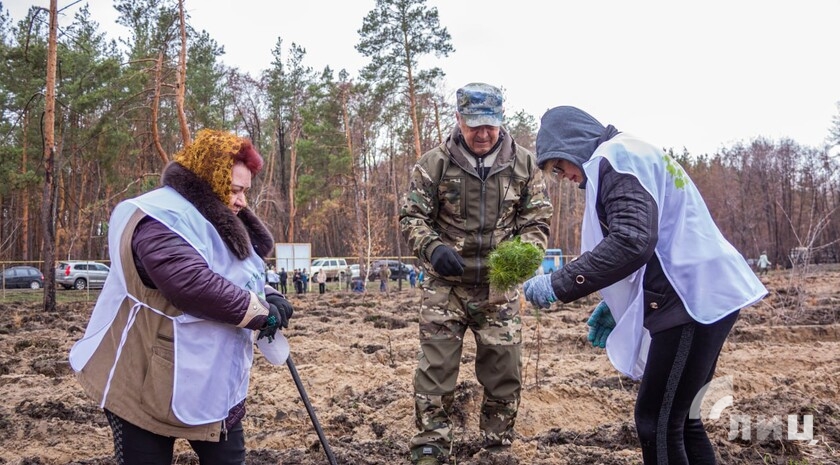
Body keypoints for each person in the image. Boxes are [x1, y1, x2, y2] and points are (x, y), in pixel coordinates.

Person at [521, 106, 767, 465]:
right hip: (703, 292)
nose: (565, 177)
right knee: (683, 421)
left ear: (573, 145)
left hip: (686, 299)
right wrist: (619, 299)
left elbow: (631, 241)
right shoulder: (633, 152)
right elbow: (656, 237)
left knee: (656, 423)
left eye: (559, 167)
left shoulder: (616, 159)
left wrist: (559, 283)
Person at [68, 129, 295, 465]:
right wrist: (260, 312)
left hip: (210, 376)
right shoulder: (161, 218)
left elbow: (239, 270)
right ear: (208, 180)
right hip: (144, 373)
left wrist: (271, 296)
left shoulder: (218, 219)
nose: (241, 201)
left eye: (245, 192)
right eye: (234, 190)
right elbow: (190, 283)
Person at [400, 82, 553, 465]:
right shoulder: (433, 164)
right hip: (445, 288)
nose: (483, 134)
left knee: (504, 369)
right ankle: (431, 447)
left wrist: (523, 255)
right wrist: (433, 248)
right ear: (458, 119)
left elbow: (537, 222)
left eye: (490, 125)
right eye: (474, 125)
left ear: (501, 121)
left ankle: (497, 447)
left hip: (497, 288)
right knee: (436, 370)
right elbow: (412, 217)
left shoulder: (524, 165)